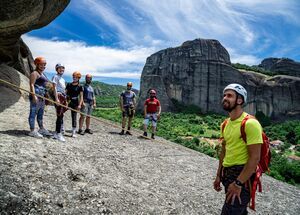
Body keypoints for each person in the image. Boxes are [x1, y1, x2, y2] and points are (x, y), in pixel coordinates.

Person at [213, 83, 263, 215]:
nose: (225, 98)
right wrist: (219, 175)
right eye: (224, 95)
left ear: (240, 100)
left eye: (229, 95)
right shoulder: (225, 124)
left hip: (242, 177)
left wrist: (238, 183)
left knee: (230, 211)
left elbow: (255, 157)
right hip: (227, 174)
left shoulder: (250, 123)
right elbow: (224, 151)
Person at [28, 56, 52, 138]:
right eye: (41, 64)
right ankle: (32, 130)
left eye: (44, 64)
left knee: (40, 114)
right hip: (36, 95)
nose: (43, 66)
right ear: (37, 64)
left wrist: (47, 97)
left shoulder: (43, 74)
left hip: (42, 96)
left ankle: (41, 129)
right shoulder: (34, 73)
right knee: (33, 113)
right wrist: (34, 96)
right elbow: (31, 84)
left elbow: (45, 86)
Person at [52, 63, 67, 142]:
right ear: (57, 69)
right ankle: (58, 134)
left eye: (63, 68)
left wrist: (66, 100)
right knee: (59, 115)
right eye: (60, 68)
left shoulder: (63, 79)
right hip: (59, 96)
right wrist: (56, 98)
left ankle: (56, 133)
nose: (62, 69)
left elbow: (64, 90)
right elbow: (54, 87)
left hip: (63, 96)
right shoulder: (55, 77)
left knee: (61, 115)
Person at [66, 71, 83, 137]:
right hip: (68, 101)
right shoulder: (69, 85)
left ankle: (73, 132)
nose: (74, 78)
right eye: (73, 77)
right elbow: (65, 93)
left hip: (76, 102)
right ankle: (61, 129)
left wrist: (80, 105)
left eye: (76, 77)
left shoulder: (80, 86)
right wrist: (66, 102)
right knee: (61, 113)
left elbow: (81, 96)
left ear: (78, 78)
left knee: (74, 116)